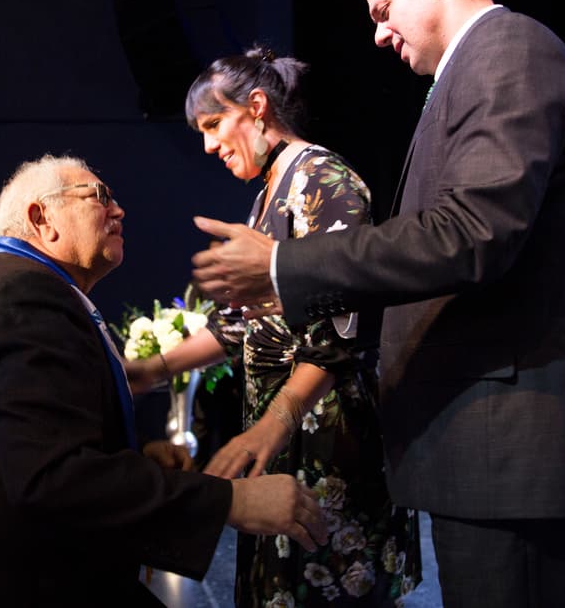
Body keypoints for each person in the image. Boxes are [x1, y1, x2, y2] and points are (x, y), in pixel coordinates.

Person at [191, 0, 565, 608]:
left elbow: (472, 232)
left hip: (515, 452)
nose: (378, 33)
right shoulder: (474, 69)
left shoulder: (509, 52)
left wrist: (287, 264)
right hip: (491, 452)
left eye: (383, 10)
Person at [0, 154, 326, 606]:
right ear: (42, 219)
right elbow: (53, 477)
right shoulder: (25, 296)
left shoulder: (21, 287)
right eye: (98, 195)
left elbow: (21, 451)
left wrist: (133, 458)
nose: (118, 208)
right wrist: (229, 502)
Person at [126, 48, 421, 606]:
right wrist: (152, 370)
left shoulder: (324, 179)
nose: (209, 145)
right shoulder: (269, 195)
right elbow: (237, 326)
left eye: (215, 125)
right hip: (284, 445)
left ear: (257, 107)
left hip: (328, 447)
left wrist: (278, 419)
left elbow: (343, 331)